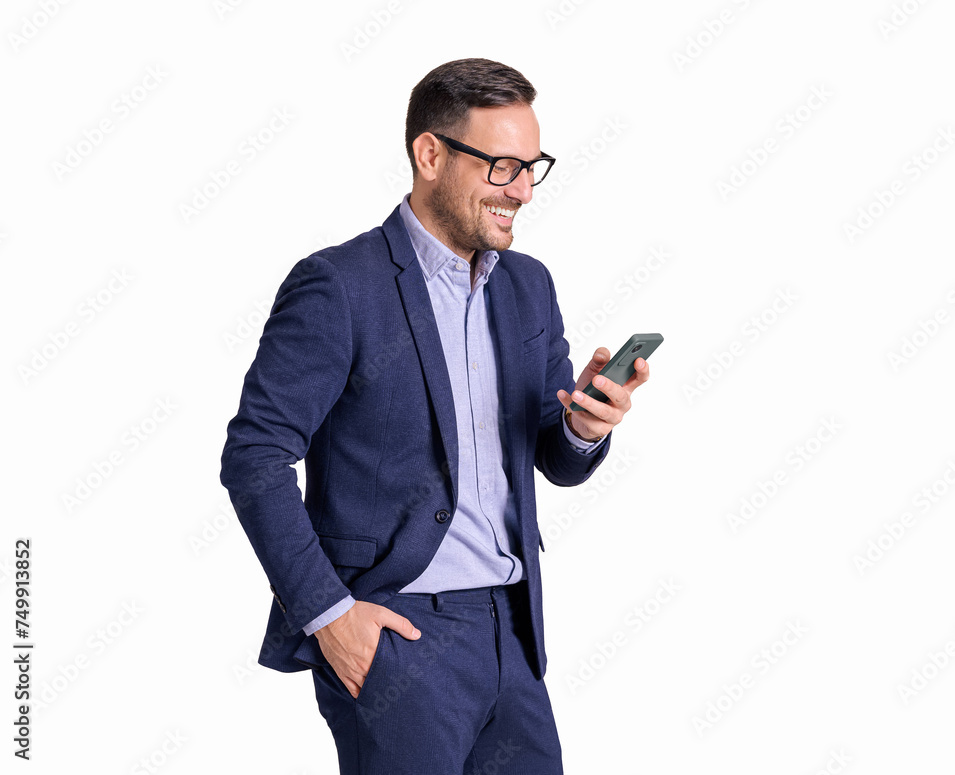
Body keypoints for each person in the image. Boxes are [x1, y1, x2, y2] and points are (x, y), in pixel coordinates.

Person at [220, 57, 650, 774]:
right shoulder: (339, 285)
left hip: (513, 631)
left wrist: (583, 427)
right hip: (399, 636)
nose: (522, 190)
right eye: (503, 166)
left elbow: (552, 454)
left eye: (532, 167)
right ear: (430, 155)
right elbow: (255, 457)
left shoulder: (528, 286)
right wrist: (330, 617)